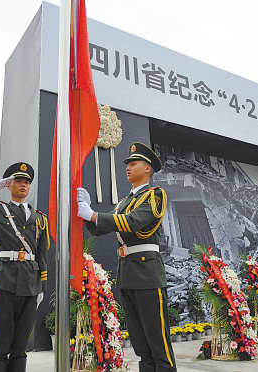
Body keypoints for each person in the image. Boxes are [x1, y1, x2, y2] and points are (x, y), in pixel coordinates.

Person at [76, 142, 177, 372]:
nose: (128, 168)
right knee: (141, 345)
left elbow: (132, 223)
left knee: (158, 343)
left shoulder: (155, 195)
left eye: (134, 163)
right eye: (128, 164)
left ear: (148, 168)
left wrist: (93, 214)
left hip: (147, 273)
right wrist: (86, 212)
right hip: (128, 272)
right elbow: (99, 230)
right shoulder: (123, 202)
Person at [0, 162, 49, 372]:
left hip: (30, 284)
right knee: (0, 344)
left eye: (27, 182)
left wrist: (42, 285)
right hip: (4, 280)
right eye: (18, 181)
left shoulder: (40, 218)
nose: (23, 185)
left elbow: (42, 253)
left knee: (21, 345)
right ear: (8, 185)